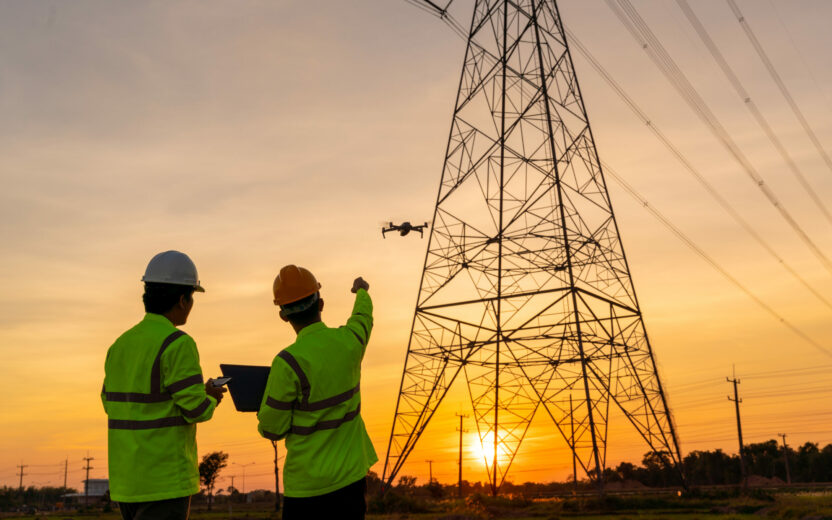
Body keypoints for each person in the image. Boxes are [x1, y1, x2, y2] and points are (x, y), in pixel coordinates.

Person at [101, 250, 226, 520]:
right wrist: (212, 395)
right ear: (183, 300)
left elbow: (111, 403)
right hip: (165, 481)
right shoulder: (177, 343)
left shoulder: (120, 345)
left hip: (127, 483)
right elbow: (197, 410)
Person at [257, 265, 377, 519]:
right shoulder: (350, 342)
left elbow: (272, 430)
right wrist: (362, 291)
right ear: (320, 303)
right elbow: (363, 317)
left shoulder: (287, 363)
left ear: (283, 316)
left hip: (306, 490)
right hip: (350, 482)